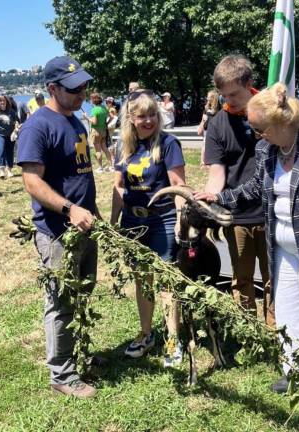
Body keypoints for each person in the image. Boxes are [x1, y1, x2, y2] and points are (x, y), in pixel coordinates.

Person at [195, 82, 299, 393]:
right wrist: (217, 197)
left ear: (280, 122)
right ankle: (297, 371)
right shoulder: (267, 150)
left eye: (260, 128)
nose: (257, 134)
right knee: (288, 309)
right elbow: (254, 190)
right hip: (284, 248)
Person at [17, 55, 99, 398]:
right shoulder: (39, 126)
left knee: (82, 292)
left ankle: (76, 356)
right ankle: (62, 374)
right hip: (58, 231)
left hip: (85, 225)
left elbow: (79, 173)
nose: (82, 92)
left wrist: (91, 211)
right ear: (52, 88)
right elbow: (32, 182)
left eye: (83, 85)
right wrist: (69, 210)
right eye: (73, 88)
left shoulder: (76, 120)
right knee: (60, 301)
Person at [110, 89, 185, 367]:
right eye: (142, 116)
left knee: (166, 280)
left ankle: (172, 339)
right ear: (130, 117)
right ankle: (146, 333)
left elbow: (179, 186)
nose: (148, 120)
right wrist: (113, 222)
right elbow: (118, 187)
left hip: (162, 219)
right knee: (142, 279)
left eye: (152, 114)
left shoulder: (168, 144)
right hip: (133, 221)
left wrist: (179, 219)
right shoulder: (123, 145)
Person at [203, 54, 273, 325]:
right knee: (241, 279)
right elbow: (218, 172)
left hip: (271, 210)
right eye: (223, 95)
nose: (227, 100)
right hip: (238, 214)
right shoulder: (218, 123)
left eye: (233, 93)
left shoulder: (271, 113)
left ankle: (276, 334)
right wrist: (210, 198)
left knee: (274, 279)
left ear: (250, 83)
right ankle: (250, 332)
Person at [0, 95, 19, 178]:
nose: (2, 102)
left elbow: (16, 123)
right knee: (1, 150)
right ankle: (1, 170)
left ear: (7, 102)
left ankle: (9, 170)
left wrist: (15, 131)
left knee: (10, 152)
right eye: (0, 101)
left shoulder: (11, 112)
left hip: (10, 135)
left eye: (4, 101)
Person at [83, 92, 113, 172]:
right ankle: (111, 166)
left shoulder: (94, 110)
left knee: (98, 150)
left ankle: (100, 168)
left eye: (91, 99)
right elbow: (111, 117)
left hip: (96, 131)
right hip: (103, 131)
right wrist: (106, 123)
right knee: (105, 148)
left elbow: (94, 122)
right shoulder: (104, 108)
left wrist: (86, 117)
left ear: (93, 100)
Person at [197, 89, 220, 167]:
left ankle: (211, 161)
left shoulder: (218, 108)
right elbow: (203, 119)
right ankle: (202, 162)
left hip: (215, 129)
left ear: (213, 98)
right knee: (205, 144)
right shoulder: (207, 107)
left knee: (213, 145)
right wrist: (200, 127)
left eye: (208, 97)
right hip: (207, 129)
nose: (207, 98)